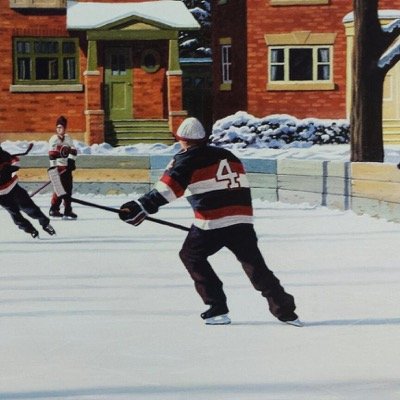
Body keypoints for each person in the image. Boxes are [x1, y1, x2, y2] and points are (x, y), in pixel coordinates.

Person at [119, 117, 302, 326]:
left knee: (190, 256)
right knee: (255, 266)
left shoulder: (187, 158)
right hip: (242, 219)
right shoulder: (227, 155)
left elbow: (168, 189)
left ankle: (217, 307)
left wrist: (140, 207)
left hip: (212, 222)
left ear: (182, 139)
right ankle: (286, 311)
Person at [0, 145, 56, 238]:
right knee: (15, 214)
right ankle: (31, 230)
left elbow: (15, 161)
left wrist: (11, 167)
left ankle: (45, 224)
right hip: (1, 195)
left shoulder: (3, 155)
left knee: (29, 207)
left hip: (13, 187)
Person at [48, 116, 78, 219]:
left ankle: (67, 210)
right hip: (58, 168)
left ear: (65, 128)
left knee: (68, 189)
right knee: (59, 190)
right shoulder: (54, 139)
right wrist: (53, 168)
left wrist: (71, 161)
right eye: (58, 127)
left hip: (67, 168)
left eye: (61, 127)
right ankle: (54, 209)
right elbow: (52, 155)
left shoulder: (68, 138)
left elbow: (73, 150)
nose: (59, 129)